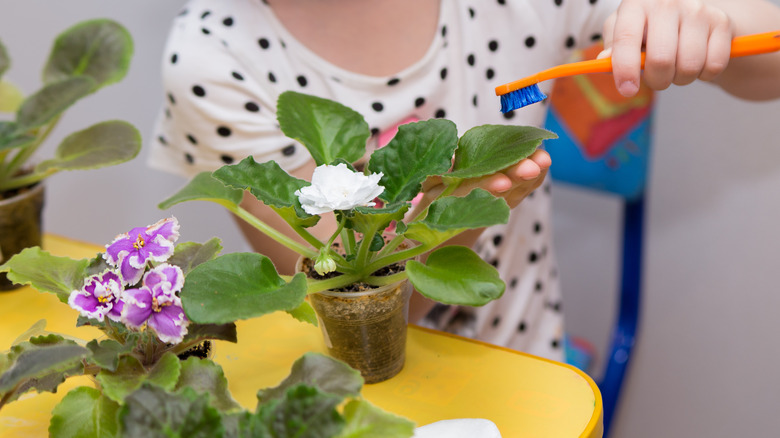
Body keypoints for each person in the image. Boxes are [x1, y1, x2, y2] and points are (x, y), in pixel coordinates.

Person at [149, 0, 780, 362]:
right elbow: (360, 328)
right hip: (360, 397)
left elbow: (765, 64)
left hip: (524, 370)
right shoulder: (212, 55)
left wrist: (704, 23)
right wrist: (465, 213)